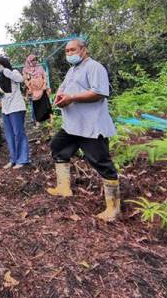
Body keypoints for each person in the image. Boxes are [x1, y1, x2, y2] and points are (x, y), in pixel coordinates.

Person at [48, 38, 120, 222]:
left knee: (100, 161)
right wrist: (60, 95)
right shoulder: (73, 70)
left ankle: (113, 207)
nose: (69, 53)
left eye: (73, 50)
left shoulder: (95, 67)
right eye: (67, 51)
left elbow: (99, 92)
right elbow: (65, 88)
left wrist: (71, 98)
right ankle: (64, 188)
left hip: (90, 125)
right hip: (72, 125)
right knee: (57, 146)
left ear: (84, 50)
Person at [0, 56, 30, 169]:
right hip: (6, 109)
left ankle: (22, 159)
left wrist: (6, 71)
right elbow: (1, 92)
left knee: (18, 133)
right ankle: (13, 159)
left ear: (4, 64)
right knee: (9, 135)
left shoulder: (13, 72)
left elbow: (20, 79)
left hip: (16, 107)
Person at [23, 54, 52, 123]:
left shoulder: (40, 68)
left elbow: (45, 77)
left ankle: (50, 119)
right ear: (29, 61)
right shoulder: (25, 70)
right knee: (36, 106)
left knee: (46, 104)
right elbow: (25, 80)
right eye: (33, 60)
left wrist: (44, 85)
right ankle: (37, 121)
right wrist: (30, 87)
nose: (35, 61)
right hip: (33, 91)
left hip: (42, 88)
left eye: (36, 60)